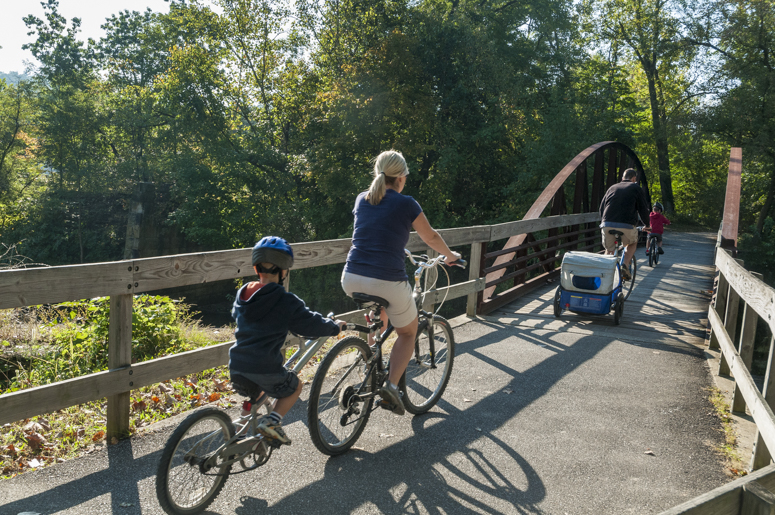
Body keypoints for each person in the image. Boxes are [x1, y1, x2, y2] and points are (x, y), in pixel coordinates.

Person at [341, 150, 461, 416]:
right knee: (407, 331)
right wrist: (450, 256)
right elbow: (429, 236)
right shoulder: (407, 203)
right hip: (387, 279)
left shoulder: (362, 198)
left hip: (350, 277)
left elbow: (373, 230)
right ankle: (392, 386)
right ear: (402, 177)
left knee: (380, 310)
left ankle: (370, 359)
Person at [229, 236, 346, 445]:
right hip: (265, 366)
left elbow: (236, 316)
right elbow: (309, 324)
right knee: (295, 387)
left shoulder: (243, 293)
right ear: (284, 270)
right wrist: (333, 327)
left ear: (257, 268)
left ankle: (235, 437)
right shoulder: (285, 300)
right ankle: (273, 422)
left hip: (236, 364)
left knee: (256, 394)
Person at [598, 167, 651, 281]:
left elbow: (602, 208)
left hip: (607, 224)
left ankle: (604, 273)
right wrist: (647, 224)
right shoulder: (635, 187)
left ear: (622, 178)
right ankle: (625, 265)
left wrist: (604, 222)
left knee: (609, 249)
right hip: (627, 225)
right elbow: (643, 209)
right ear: (634, 179)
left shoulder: (612, 187)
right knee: (632, 243)